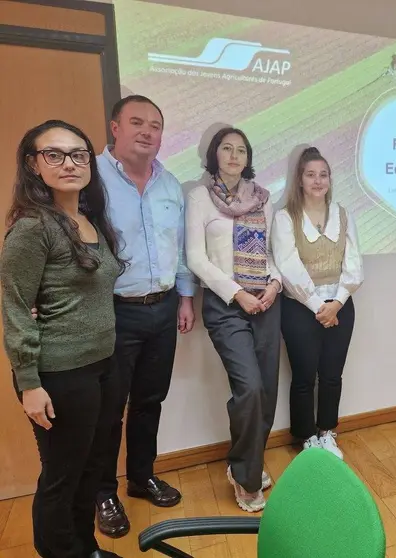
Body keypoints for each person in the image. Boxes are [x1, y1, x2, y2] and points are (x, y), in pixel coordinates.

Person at [1, 120, 126, 558]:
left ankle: (84, 547)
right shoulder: (34, 227)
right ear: (34, 165)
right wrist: (29, 383)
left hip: (102, 366)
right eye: (53, 154)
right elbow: (15, 306)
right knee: (62, 475)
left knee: (91, 469)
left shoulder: (89, 220)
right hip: (59, 372)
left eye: (78, 154)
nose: (69, 163)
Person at [95, 95, 196, 538]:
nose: (147, 131)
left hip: (164, 307)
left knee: (149, 401)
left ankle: (141, 477)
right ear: (114, 127)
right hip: (114, 312)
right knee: (108, 409)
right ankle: (103, 492)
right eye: (137, 122)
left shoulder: (170, 185)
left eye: (155, 125)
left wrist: (186, 297)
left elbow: (178, 249)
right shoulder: (91, 180)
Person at [186, 127, 282, 512]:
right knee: (251, 389)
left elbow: (274, 251)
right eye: (226, 148)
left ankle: (248, 459)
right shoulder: (199, 197)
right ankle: (245, 473)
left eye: (241, 149)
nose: (234, 155)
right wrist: (237, 293)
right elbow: (196, 258)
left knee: (268, 392)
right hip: (227, 306)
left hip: (267, 303)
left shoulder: (262, 198)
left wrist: (274, 284)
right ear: (214, 154)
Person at [271, 147, 363, 459]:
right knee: (304, 377)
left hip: (340, 305)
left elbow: (354, 263)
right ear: (299, 179)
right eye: (310, 174)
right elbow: (288, 265)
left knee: (332, 375)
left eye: (323, 174)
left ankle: (327, 432)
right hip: (300, 308)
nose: (317, 180)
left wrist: (336, 303)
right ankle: (306, 435)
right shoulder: (285, 218)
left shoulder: (343, 214)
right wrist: (318, 306)